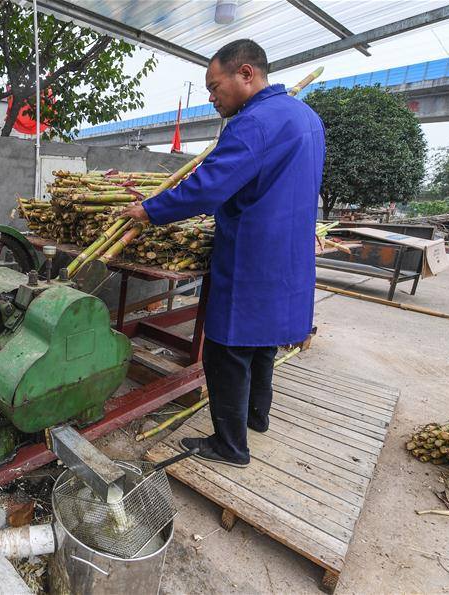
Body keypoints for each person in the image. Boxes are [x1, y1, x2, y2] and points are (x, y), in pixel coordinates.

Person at [120, 39, 325, 467]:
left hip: (253, 253)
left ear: (246, 73)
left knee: (227, 349)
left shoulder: (253, 123)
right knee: (263, 342)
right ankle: (256, 418)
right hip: (291, 255)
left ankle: (229, 447)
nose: (211, 98)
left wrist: (149, 209)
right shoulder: (307, 117)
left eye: (215, 87)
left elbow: (209, 187)